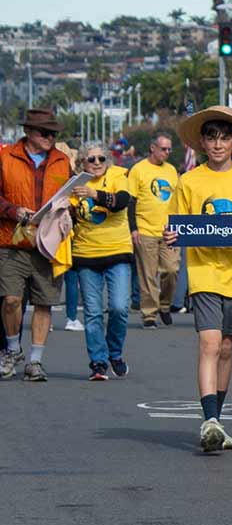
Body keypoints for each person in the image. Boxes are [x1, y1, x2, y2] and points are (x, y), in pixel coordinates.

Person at [161, 108, 232, 451]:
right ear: (202, 142)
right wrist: (171, 236)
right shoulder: (190, 181)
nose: (217, 143)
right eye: (211, 137)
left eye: (225, 137)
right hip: (204, 272)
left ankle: (217, 420)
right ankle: (208, 419)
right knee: (209, 343)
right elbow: (176, 224)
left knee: (226, 347)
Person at [66, 145, 135, 380]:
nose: (96, 162)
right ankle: (98, 362)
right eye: (90, 159)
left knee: (118, 307)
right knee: (93, 313)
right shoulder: (74, 185)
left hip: (118, 251)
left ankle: (114, 352)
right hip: (86, 253)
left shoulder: (118, 175)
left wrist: (94, 194)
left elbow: (122, 201)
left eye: (101, 158)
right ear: (82, 163)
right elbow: (67, 214)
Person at [127, 132, 181, 327]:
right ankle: (149, 314)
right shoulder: (138, 170)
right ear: (153, 148)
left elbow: (178, 200)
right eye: (163, 149)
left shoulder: (172, 170)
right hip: (145, 230)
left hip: (169, 231)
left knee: (172, 269)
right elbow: (130, 202)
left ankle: (165, 305)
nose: (167, 152)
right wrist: (133, 229)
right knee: (147, 275)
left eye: (169, 149)